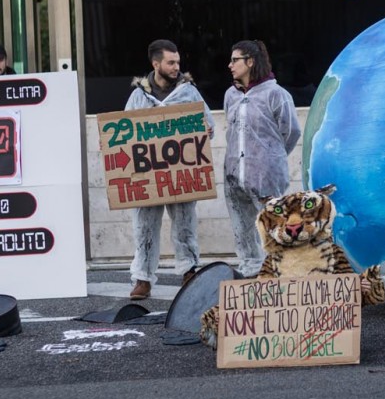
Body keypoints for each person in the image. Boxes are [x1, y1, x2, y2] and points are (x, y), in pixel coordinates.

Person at [124, 39, 214, 300]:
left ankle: (188, 270)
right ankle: (142, 278)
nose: (177, 67)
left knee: (185, 223)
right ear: (156, 64)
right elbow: (124, 132)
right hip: (148, 175)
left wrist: (207, 130)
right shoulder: (138, 96)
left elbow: (208, 123)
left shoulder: (189, 92)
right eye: (171, 62)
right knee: (144, 226)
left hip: (181, 174)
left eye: (177, 62)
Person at [223, 40, 301, 278]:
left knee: (273, 225)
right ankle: (249, 268)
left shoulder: (276, 94)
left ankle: (276, 271)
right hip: (234, 174)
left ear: (250, 61)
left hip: (266, 175)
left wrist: (272, 157)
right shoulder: (231, 95)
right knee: (242, 227)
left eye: (235, 60)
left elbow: (291, 131)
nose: (230, 65)